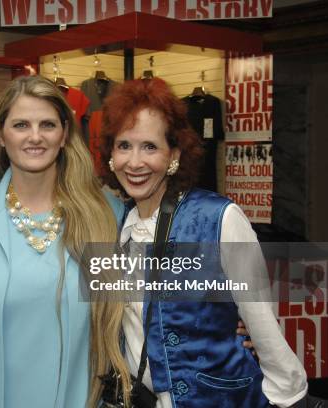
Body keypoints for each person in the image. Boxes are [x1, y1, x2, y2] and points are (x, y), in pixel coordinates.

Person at [89, 77, 308, 407]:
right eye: (124, 146)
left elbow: (262, 326)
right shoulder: (116, 225)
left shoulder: (219, 219)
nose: (134, 162)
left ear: (173, 155)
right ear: (110, 155)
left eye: (150, 146)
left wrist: (288, 396)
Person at [0, 75, 122, 407]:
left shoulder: (106, 214)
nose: (35, 137)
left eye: (47, 124)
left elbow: (140, 307)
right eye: (21, 125)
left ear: (64, 135)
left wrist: (230, 313)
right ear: (1, 135)